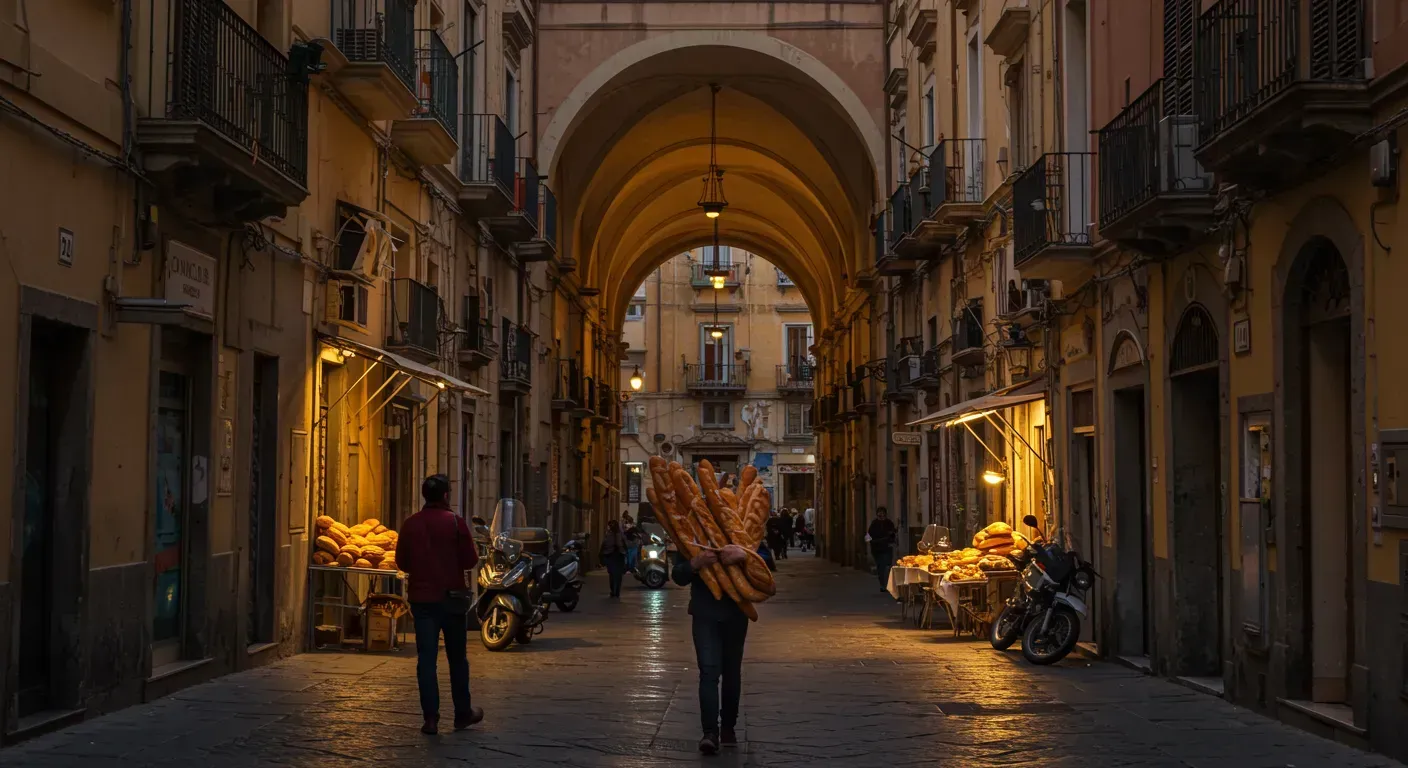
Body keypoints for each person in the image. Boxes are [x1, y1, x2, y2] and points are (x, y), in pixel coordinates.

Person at [397, 474, 483, 735]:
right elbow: (470, 561)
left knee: (426, 660)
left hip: (423, 602)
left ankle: (431, 719)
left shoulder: (410, 524)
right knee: (458, 660)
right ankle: (462, 713)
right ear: (446, 495)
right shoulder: (456, 524)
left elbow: (402, 562)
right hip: (452, 601)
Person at [673, 542, 753, 754]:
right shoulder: (690, 539)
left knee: (731, 672)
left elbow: (764, 561)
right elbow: (678, 575)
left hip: (736, 612)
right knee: (708, 672)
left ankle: (728, 727)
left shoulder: (738, 531)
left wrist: (743, 554)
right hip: (704, 613)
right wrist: (696, 562)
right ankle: (709, 732)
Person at [867, 506, 898, 593]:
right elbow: (868, 536)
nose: (881, 515)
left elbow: (893, 535)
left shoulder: (889, 523)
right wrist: (871, 542)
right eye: (879, 514)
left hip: (887, 548)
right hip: (877, 550)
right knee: (880, 568)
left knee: (887, 567)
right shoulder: (874, 524)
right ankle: (882, 585)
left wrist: (892, 538)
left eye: (882, 513)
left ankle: (887, 584)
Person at [600, 519, 629, 598]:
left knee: (614, 575)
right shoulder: (614, 534)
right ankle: (615, 591)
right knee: (615, 575)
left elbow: (604, 545)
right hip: (615, 556)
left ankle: (615, 591)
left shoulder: (612, 535)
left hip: (616, 556)